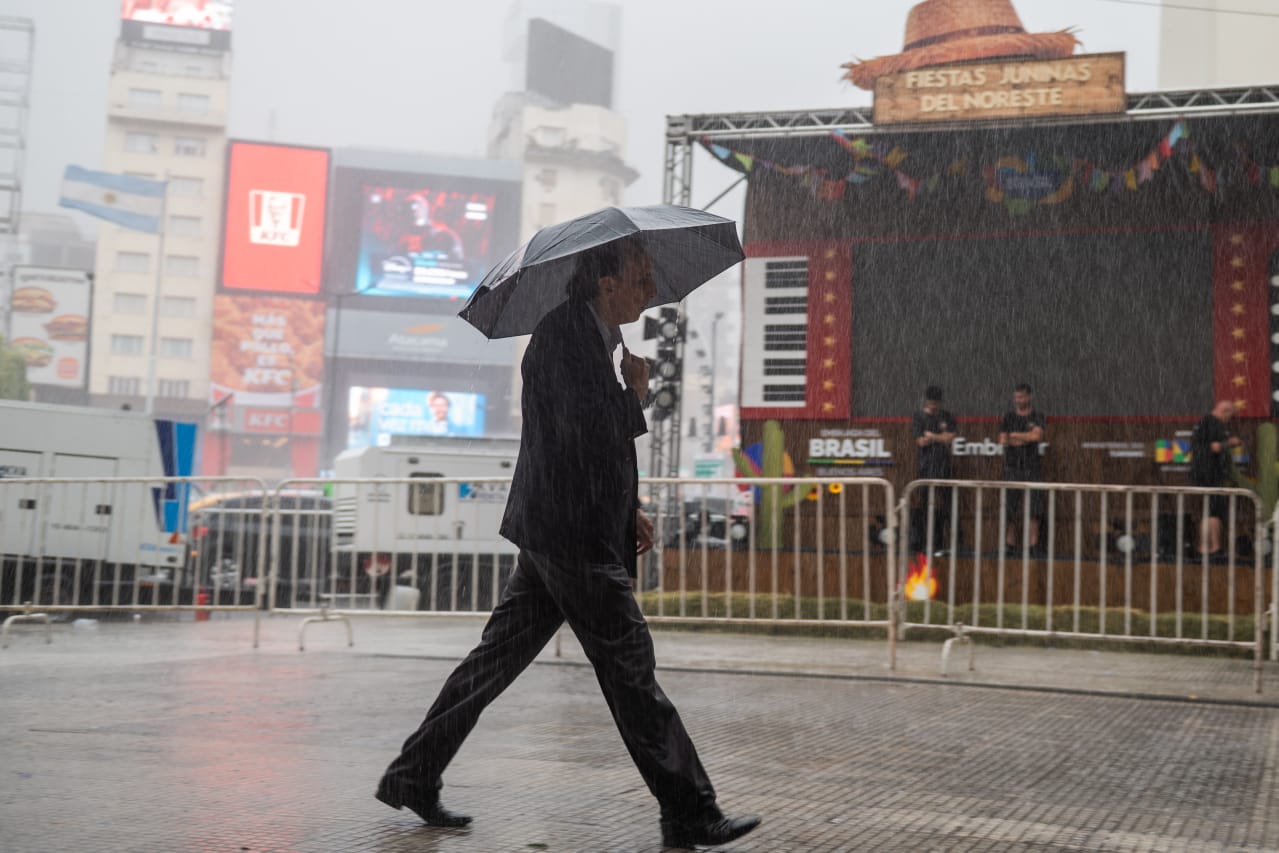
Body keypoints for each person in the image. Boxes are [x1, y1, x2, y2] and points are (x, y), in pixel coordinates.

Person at [374, 237, 761, 850]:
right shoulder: (563, 340)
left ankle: (413, 774)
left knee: (493, 662)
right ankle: (690, 811)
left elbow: (586, 449)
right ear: (606, 284)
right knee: (630, 669)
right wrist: (636, 394)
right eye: (641, 277)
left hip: (560, 530)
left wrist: (627, 508)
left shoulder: (594, 337)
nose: (651, 290)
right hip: (571, 537)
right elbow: (584, 436)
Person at [999, 383, 1047, 555]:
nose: (1018, 400)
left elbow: (1037, 436)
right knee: (1009, 508)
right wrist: (1025, 437)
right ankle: (1009, 545)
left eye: (1021, 397)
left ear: (1029, 397)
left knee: (1034, 508)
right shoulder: (1008, 417)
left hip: (1032, 467)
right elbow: (1003, 440)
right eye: (1016, 397)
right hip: (1012, 467)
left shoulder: (1037, 416)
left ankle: (1033, 546)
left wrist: (1015, 435)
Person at [1190, 400, 1241, 556]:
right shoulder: (1212, 423)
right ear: (1225, 412)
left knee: (1210, 511)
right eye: (1229, 416)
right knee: (1213, 511)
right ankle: (1211, 547)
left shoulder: (1204, 422)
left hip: (1204, 473)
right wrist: (1230, 443)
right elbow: (1215, 447)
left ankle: (1209, 547)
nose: (1228, 420)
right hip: (1210, 473)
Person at [911, 385, 957, 555]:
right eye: (931, 403)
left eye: (936, 403)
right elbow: (920, 441)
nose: (933, 406)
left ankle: (948, 542)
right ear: (926, 401)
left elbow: (950, 438)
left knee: (948, 505)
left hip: (944, 465)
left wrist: (933, 436)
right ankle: (926, 542)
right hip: (926, 466)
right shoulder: (919, 417)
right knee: (925, 505)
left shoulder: (947, 416)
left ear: (940, 402)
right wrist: (939, 437)